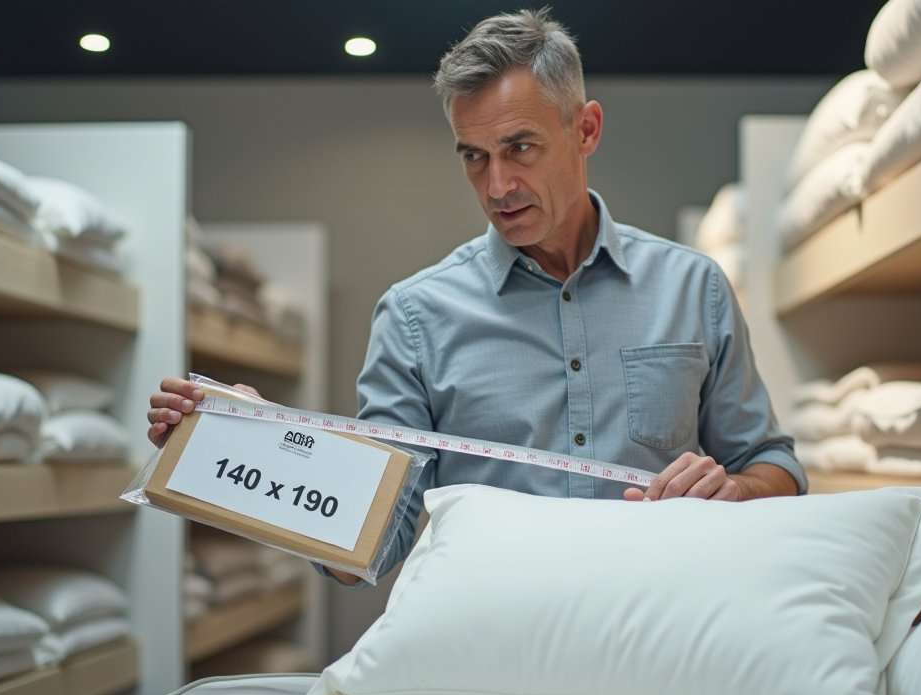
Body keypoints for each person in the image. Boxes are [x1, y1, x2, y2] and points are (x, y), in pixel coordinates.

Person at [148, 9, 805, 587]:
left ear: (586, 129)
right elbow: (370, 544)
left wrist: (732, 490)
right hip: (491, 651)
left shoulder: (695, 288)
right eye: (473, 157)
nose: (497, 186)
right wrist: (252, 451)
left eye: (519, 148)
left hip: (663, 624)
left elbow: (774, 466)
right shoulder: (414, 318)